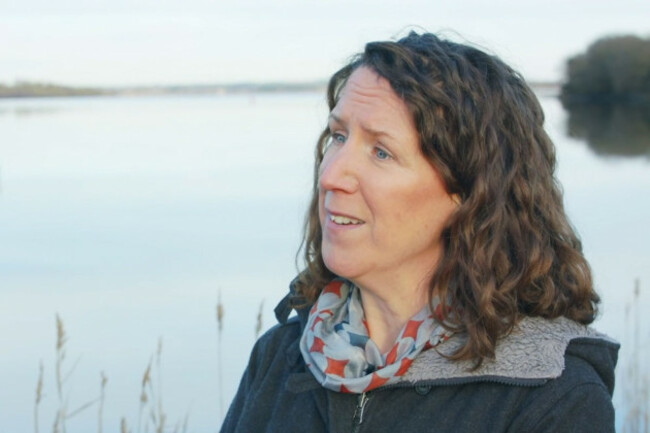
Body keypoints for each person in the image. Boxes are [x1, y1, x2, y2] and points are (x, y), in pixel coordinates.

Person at [221, 31, 619, 433]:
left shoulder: (550, 397)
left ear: (469, 192)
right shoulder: (281, 355)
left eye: (381, 152)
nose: (332, 174)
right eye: (338, 137)